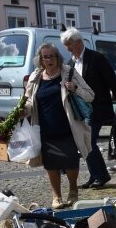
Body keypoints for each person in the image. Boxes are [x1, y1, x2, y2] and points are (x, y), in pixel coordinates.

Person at [23, 43, 94, 209]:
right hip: (45, 128)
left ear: (57, 57)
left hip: (68, 127)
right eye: (45, 57)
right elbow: (28, 101)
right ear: (40, 60)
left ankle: (73, 189)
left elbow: (90, 95)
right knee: (51, 165)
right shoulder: (36, 77)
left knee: (70, 163)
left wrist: (75, 88)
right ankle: (56, 196)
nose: (48, 60)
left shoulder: (68, 72)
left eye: (51, 56)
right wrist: (23, 110)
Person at [60, 27, 116, 189]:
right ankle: (94, 175)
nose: (67, 48)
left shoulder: (96, 58)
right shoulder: (71, 63)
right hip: (80, 109)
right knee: (84, 142)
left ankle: (101, 175)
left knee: (88, 141)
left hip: (96, 107)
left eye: (69, 44)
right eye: (65, 45)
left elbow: (113, 82)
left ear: (78, 42)